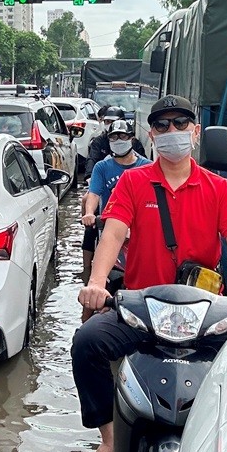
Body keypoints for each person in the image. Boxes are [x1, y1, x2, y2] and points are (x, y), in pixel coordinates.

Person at [69, 95, 227, 452]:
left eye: (180, 124)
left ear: (194, 131)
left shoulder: (220, 189)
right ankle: (108, 443)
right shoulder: (134, 183)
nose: (172, 132)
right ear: (152, 135)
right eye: (163, 126)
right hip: (142, 309)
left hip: (204, 317)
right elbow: (113, 233)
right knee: (86, 343)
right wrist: (97, 282)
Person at [79, 119, 150, 318]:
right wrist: (90, 213)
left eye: (123, 137)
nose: (119, 140)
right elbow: (94, 193)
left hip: (138, 233)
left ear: (131, 139)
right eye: (114, 137)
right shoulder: (102, 167)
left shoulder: (147, 167)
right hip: (110, 228)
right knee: (94, 287)